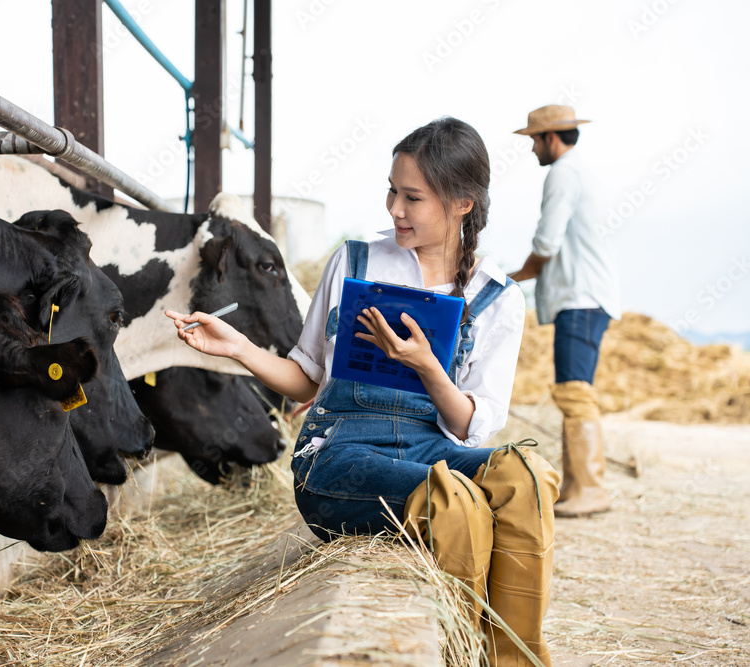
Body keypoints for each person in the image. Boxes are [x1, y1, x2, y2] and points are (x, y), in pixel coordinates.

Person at [167, 117, 558, 666]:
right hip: (340, 450)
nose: (394, 209)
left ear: (462, 204)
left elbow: (475, 427)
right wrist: (239, 349)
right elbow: (306, 376)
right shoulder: (355, 261)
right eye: (392, 192)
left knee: (527, 478)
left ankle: (514, 659)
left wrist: (428, 368)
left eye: (412, 198)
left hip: (431, 448)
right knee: (458, 502)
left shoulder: (497, 297)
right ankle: (459, 652)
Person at [509, 105, 621, 518]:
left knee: (574, 393)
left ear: (550, 138)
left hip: (581, 299)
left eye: (534, 140)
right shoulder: (579, 171)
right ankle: (578, 485)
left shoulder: (563, 173)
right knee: (573, 392)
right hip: (587, 297)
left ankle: (591, 488)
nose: (533, 149)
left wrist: (513, 277)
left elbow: (547, 242)